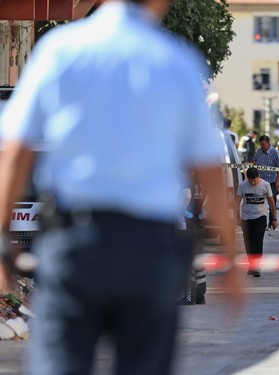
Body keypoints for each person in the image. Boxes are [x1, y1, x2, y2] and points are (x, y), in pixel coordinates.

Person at [0, 1, 246, 374]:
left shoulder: (59, 49)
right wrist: (230, 256)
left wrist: (2, 239)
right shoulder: (176, 62)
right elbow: (209, 169)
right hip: (149, 250)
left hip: (74, 245)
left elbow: (16, 152)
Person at [235, 167, 277, 277]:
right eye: (250, 180)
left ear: (258, 176)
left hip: (260, 217)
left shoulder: (265, 185)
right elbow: (237, 202)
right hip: (246, 218)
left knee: (258, 242)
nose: (253, 183)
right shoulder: (242, 185)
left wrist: (274, 218)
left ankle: (256, 266)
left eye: (254, 180)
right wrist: (236, 217)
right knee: (248, 243)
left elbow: (272, 202)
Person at [253, 134, 279, 229]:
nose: (262, 146)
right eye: (260, 144)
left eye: (263, 144)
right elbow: (254, 162)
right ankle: (258, 222)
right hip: (259, 182)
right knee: (258, 202)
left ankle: (271, 222)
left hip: (271, 182)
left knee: (272, 202)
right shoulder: (259, 151)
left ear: (268, 143)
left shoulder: (275, 152)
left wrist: (278, 181)